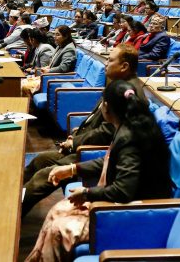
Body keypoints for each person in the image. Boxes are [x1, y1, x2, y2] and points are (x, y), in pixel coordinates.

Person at [25, 80, 171, 262]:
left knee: (58, 228)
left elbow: (123, 191)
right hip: (122, 205)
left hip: (131, 215)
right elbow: (109, 161)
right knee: (58, 210)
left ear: (106, 107)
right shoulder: (130, 126)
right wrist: (72, 169)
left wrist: (87, 193)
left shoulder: (129, 138)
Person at [22, 45, 146, 215]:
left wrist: (75, 142)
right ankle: (15, 191)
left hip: (93, 151)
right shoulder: (119, 85)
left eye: (110, 60)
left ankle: (14, 212)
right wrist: (74, 137)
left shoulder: (128, 94)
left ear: (124, 66)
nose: (106, 64)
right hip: (83, 144)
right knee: (40, 160)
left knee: (44, 175)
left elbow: (107, 132)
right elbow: (95, 121)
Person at [21, 25, 77, 96]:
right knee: (22, 82)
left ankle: (28, 103)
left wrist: (49, 70)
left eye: (57, 35)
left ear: (66, 36)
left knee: (24, 85)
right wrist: (47, 67)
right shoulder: (60, 46)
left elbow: (63, 68)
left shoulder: (69, 49)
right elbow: (52, 63)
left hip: (55, 78)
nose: (54, 37)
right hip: (49, 76)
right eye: (54, 34)